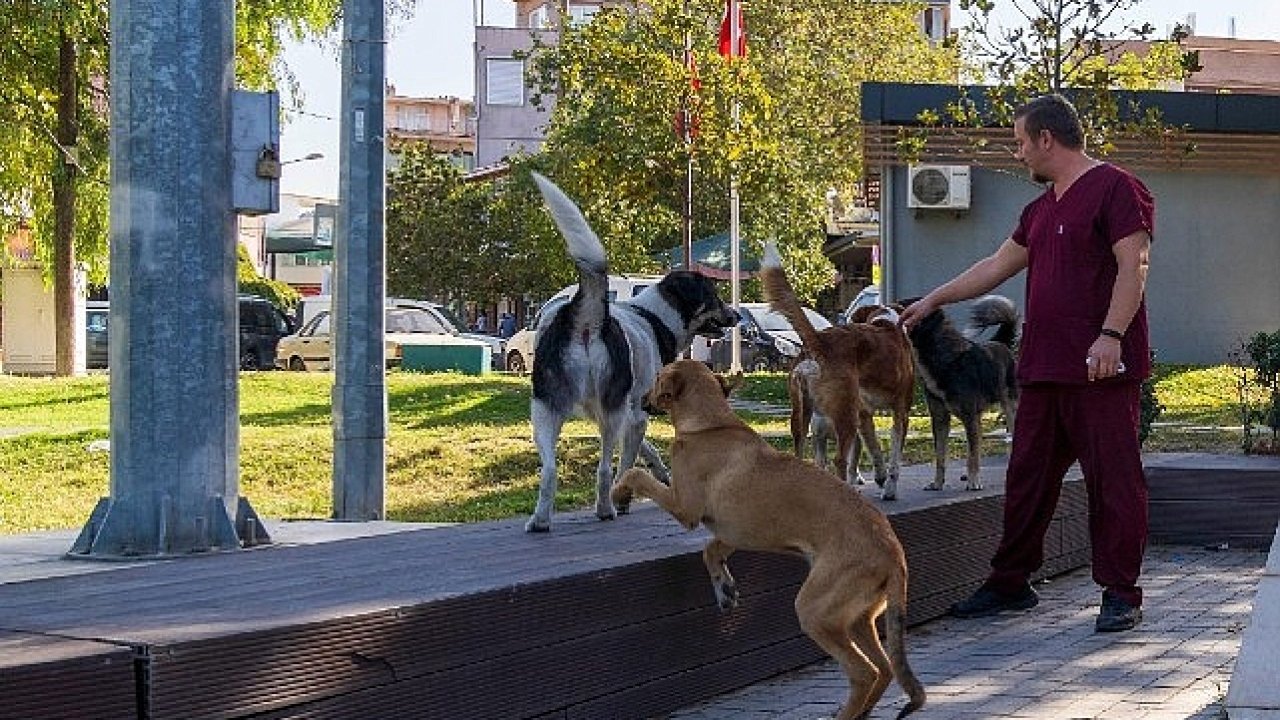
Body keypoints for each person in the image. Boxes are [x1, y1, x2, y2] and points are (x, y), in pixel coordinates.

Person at [899, 93, 1154, 633]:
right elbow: (995, 265)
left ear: (1046, 138)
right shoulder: (1039, 211)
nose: (1017, 154)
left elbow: (1135, 264)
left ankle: (1120, 593)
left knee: (1114, 481)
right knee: (1026, 480)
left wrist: (1111, 335)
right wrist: (934, 299)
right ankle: (1011, 584)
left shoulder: (1117, 188)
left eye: (1019, 142)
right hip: (1041, 370)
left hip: (1100, 370)